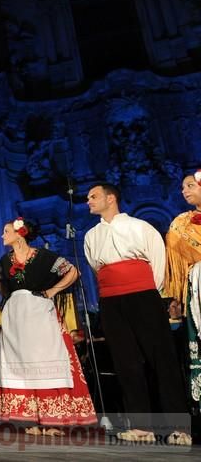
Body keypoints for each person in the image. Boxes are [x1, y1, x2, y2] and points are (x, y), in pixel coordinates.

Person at [84, 183, 190, 444]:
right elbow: (97, 268)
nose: (88, 201)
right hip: (111, 300)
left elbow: (157, 261)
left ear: (111, 198)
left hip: (143, 296)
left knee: (161, 359)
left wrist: (145, 293)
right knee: (126, 362)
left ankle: (179, 426)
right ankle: (142, 426)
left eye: (93, 196)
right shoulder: (91, 235)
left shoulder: (140, 227)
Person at [0, 218, 96, 435]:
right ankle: (28, 419)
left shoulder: (43, 256)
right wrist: (13, 302)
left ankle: (53, 420)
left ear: (19, 233)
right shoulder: (4, 261)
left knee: (45, 359)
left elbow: (73, 271)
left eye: (6, 231)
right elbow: (1, 285)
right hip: (16, 318)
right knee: (19, 363)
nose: (2, 235)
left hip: (40, 313)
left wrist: (51, 291)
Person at [164, 171, 201, 407]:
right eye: (182, 187)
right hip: (197, 288)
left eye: (190, 185)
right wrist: (176, 298)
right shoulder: (180, 223)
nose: (184, 190)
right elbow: (175, 267)